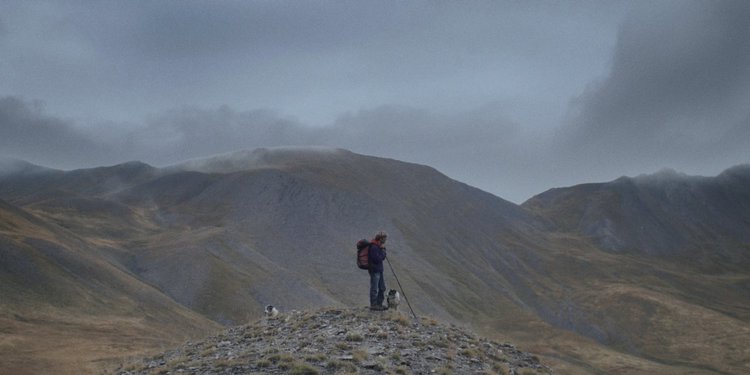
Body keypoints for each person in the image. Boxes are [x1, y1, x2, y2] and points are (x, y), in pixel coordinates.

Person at [368, 231, 388, 310]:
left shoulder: (378, 247)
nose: (385, 241)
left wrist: (382, 250)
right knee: (374, 288)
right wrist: (383, 252)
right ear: (381, 239)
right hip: (375, 270)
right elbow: (378, 259)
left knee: (382, 287)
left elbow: (380, 258)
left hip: (379, 270)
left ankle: (379, 304)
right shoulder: (374, 247)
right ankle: (373, 305)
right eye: (384, 239)